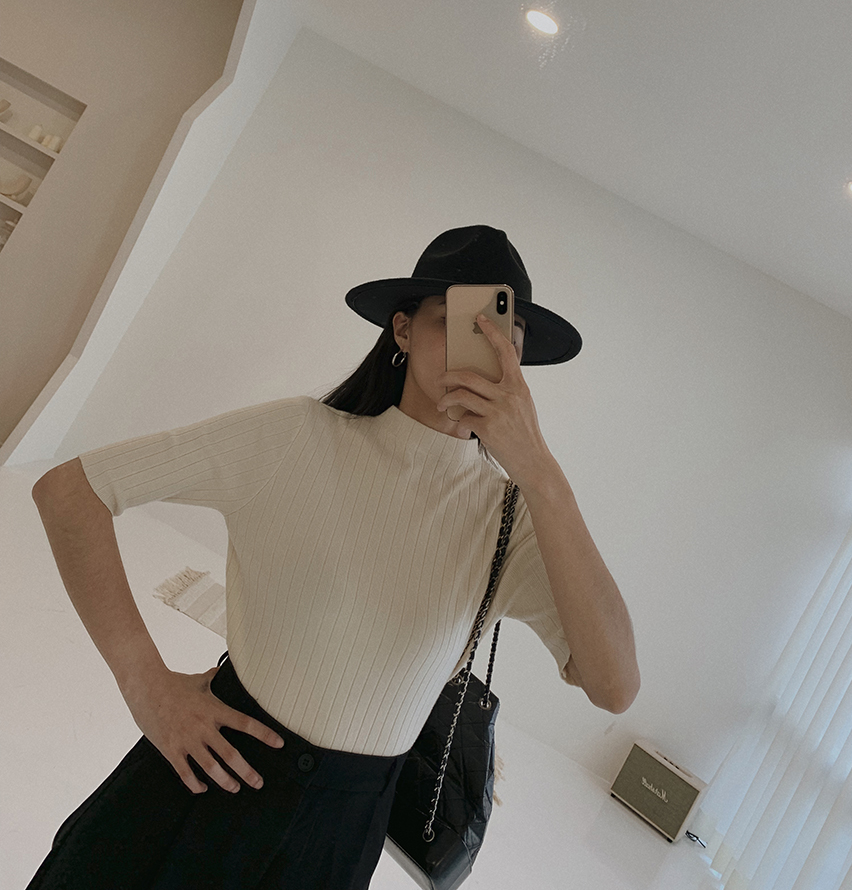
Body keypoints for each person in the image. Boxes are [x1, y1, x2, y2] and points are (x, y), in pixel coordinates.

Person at [26, 225, 639, 890]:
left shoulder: (514, 520)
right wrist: (144, 683)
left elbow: (613, 685)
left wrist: (542, 473)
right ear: (402, 330)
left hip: (337, 841)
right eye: (462, 322)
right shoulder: (297, 436)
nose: (487, 349)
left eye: (507, 336)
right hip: (198, 779)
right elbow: (70, 493)